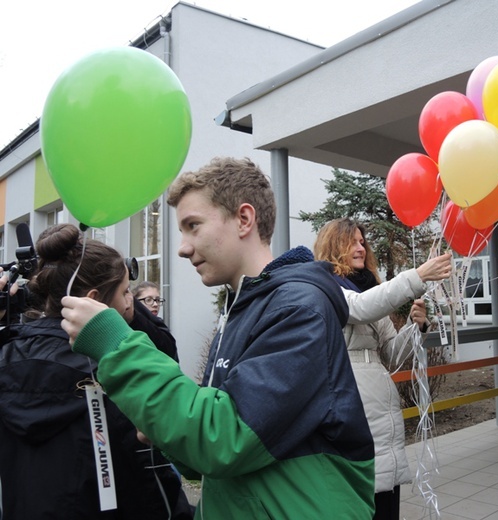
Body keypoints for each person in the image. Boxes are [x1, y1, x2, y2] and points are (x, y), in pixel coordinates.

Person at [60, 157, 376, 519]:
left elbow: (225, 438)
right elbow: (205, 457)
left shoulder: (299, 308)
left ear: (244, 219)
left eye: (193, 226)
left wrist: (114, 342)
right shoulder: (242, 308)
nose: (182, 247)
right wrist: (166, 434)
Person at [0, 223, 192, 519]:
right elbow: (150, 490)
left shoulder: (7, 354)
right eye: (126, 291)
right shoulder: (112, 373)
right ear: (92, 300)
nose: (132, 301)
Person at [314, 217, 452, 519]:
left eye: (362, 242)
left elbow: (392, 352)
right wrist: (417, 276)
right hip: (353, 406)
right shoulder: (328, 288)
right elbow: (362, 307)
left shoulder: (369, 289)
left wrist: (416, 328)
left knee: (387, 492)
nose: (361, 247)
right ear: (333, 245)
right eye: (352, 241)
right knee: (364, 498)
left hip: (381, 411)